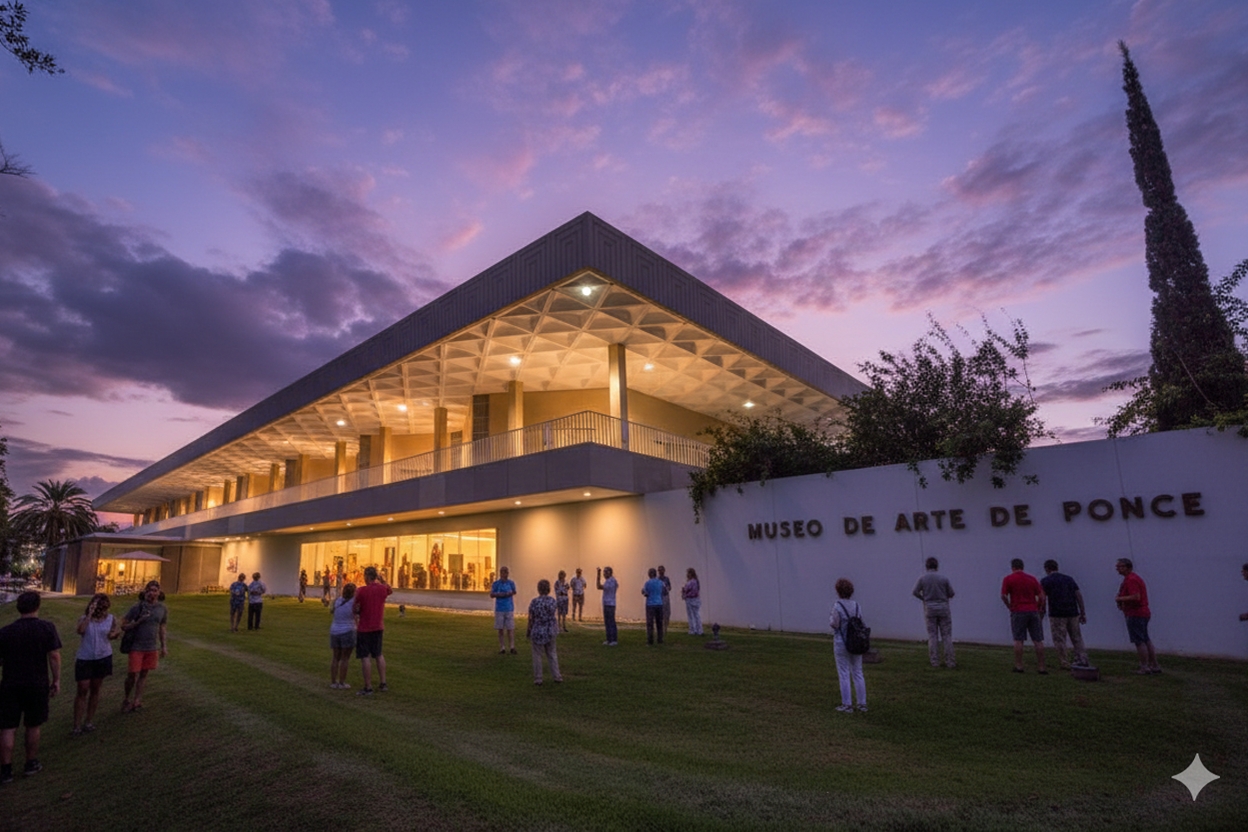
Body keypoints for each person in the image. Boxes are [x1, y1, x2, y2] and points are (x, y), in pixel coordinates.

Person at [0, 591, 62, 783]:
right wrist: (56, 680)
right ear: (37, 606)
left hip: (10, 684)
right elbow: (54, 656)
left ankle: (6, 770)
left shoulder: (6, 632)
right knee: (33, 724)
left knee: (7, 727)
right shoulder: (46, 628)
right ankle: (30, 763)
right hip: (36, 683)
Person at [73, 593, 121, 736]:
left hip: (102, 657)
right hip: (85, 657)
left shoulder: (111, 619)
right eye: (97, 604)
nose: (100, 608)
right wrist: (89, 615)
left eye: (103, 604)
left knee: (95, 689)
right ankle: (77, 725)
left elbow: (113, 633)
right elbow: (80, 630)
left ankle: (88, 721)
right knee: (82, 689)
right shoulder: (84, 619)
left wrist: (115, 634)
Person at [120, 580, 168, 713]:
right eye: (149, 590)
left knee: (144, 674)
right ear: (145, 592)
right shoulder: (137, 608)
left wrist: (163, 646)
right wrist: (138, 622)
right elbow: (124, 624)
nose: (152, 593)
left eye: (154, 591)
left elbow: (162, 627)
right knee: (132, 675)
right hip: (136, 646)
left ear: (159, 593)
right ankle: (126, 699)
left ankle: (137, 700)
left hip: (151, 646)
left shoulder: (162, 609)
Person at [1040, 559, 1089, 669]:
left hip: (1057, 614)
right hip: (1072, 612)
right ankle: (1082, 659)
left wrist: (1041, 614)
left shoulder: (1045, 581)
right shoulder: (1069, 579)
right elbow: (1078, 595)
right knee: (1076, 637)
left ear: (1047, 569)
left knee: (1059, 639)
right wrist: (1082, 612)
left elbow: (1042, 599)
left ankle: (1064, 661)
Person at [1001, 559, 1047, 674]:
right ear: (1023, 567)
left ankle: (1019, 666)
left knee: (1018, 639)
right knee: (1038, 640)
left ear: (1013, 567)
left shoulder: (1008, 579)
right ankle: (1041, 667)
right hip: (1033, 610)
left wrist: (1009, 606)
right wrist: (1039, 607)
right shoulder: (1032, 579)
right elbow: (1041, 596)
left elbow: (1003, 595)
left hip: (1018, 610)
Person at [1115, 558, 1160, 674]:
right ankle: (1154, 665)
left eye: (1121, 566)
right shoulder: (1131, 579)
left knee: (1139, 641)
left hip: (1136, 613)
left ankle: (1144, 667)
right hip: (1141, 613)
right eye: (1117, 566)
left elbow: (1136, 596)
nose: (1118, 569)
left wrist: (1120, 598)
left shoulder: (1131, 580)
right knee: (1145, 639)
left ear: (1128, 567)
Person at [352, 566, 392, 695]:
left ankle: (368, 686)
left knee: (365, 657)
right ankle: (383, 682)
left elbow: (355, 607)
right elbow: (389, 589)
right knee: (378, 654)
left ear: (366, 576)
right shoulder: (382, 589)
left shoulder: (361, 591)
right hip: (378, 626)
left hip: (364, 627)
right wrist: (382, 580)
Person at [829, 578, 866, 713]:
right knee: (858, 672)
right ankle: (862, 703)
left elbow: (834, 624)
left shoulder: (837, 606)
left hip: (841, 642)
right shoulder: (856, 605)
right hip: (856, 642)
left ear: (838, 591)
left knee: (844, 673)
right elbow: (861, 621)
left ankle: (847, 704)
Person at [912, 557, 956, 668]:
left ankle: (935, 661)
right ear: (937, 566)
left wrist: (924, 599)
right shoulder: (944, 578)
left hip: (930, 609)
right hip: (943, 608)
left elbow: (915, 592)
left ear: (926, 566)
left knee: (932, 636)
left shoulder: (923, 578)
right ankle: (950, 662)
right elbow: (951, 593)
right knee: (946, 635)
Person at [526, 579, 562, 685]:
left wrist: (528, 630)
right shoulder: (552, 601)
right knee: (552, 654)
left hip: (538, 630)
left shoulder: (534, 602)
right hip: (550, 630)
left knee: (537, 655)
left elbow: (531, 618)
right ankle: (557, 676)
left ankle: (538, 678)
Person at [329, 583, 357, 689]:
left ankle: (333, 682)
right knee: (345, 658)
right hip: (348, 631)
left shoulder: (337, 601)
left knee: (335, 658)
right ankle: (342, 682)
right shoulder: (354, 603)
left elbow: (331, 611)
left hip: (334, 631)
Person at [490, 566, 518, 655]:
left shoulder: (511, 583)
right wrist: (500, 594)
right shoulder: (496, 584)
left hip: (509, 608)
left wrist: (509, 593)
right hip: (500, 608)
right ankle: (502, 647)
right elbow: (492, 594)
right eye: (502, 573)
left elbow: (514, 591)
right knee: (500, 629)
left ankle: (512, 647)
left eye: (506, 573)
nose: (504, 575)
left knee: (510, 628)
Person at [642, 568, 665, 645]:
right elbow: (665, 591)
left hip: (650, 604)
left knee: (650, 623)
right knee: (659, 623)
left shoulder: (647, 583)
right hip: (659, 603)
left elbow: (644, 592)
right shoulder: (660, 582)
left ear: (649, 574)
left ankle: (650, 640)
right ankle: (660, 639)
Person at [596, 567, 618, 646]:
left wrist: (598, 575)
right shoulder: (609, 581)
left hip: (610, 603)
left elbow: (599, 586)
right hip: (606, 603)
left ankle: (613, 639)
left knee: (611, 621)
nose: (604, 574)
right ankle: (609, 639)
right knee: (607, 622)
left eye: (606, 572)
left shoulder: (611, 581)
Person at [681, 568, 702, 635]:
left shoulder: (690, 582)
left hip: (690, 599)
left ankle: (692, 630)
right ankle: (699, 630)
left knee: (690, 615)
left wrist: (683, 589)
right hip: (696, 599)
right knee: (696, 615)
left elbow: (685, 589)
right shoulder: (696, 581)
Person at [657, 565, 672, 631]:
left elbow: (670, 587)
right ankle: (660, 627)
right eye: (659, 570)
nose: (660, 572)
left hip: (665, 596)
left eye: (661, 570)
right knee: (660, 613)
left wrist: (668, 588)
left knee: (666, 612)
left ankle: (665, 626)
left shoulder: (666, 579)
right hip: (659, 597)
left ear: (664, 570)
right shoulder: (657, 579)